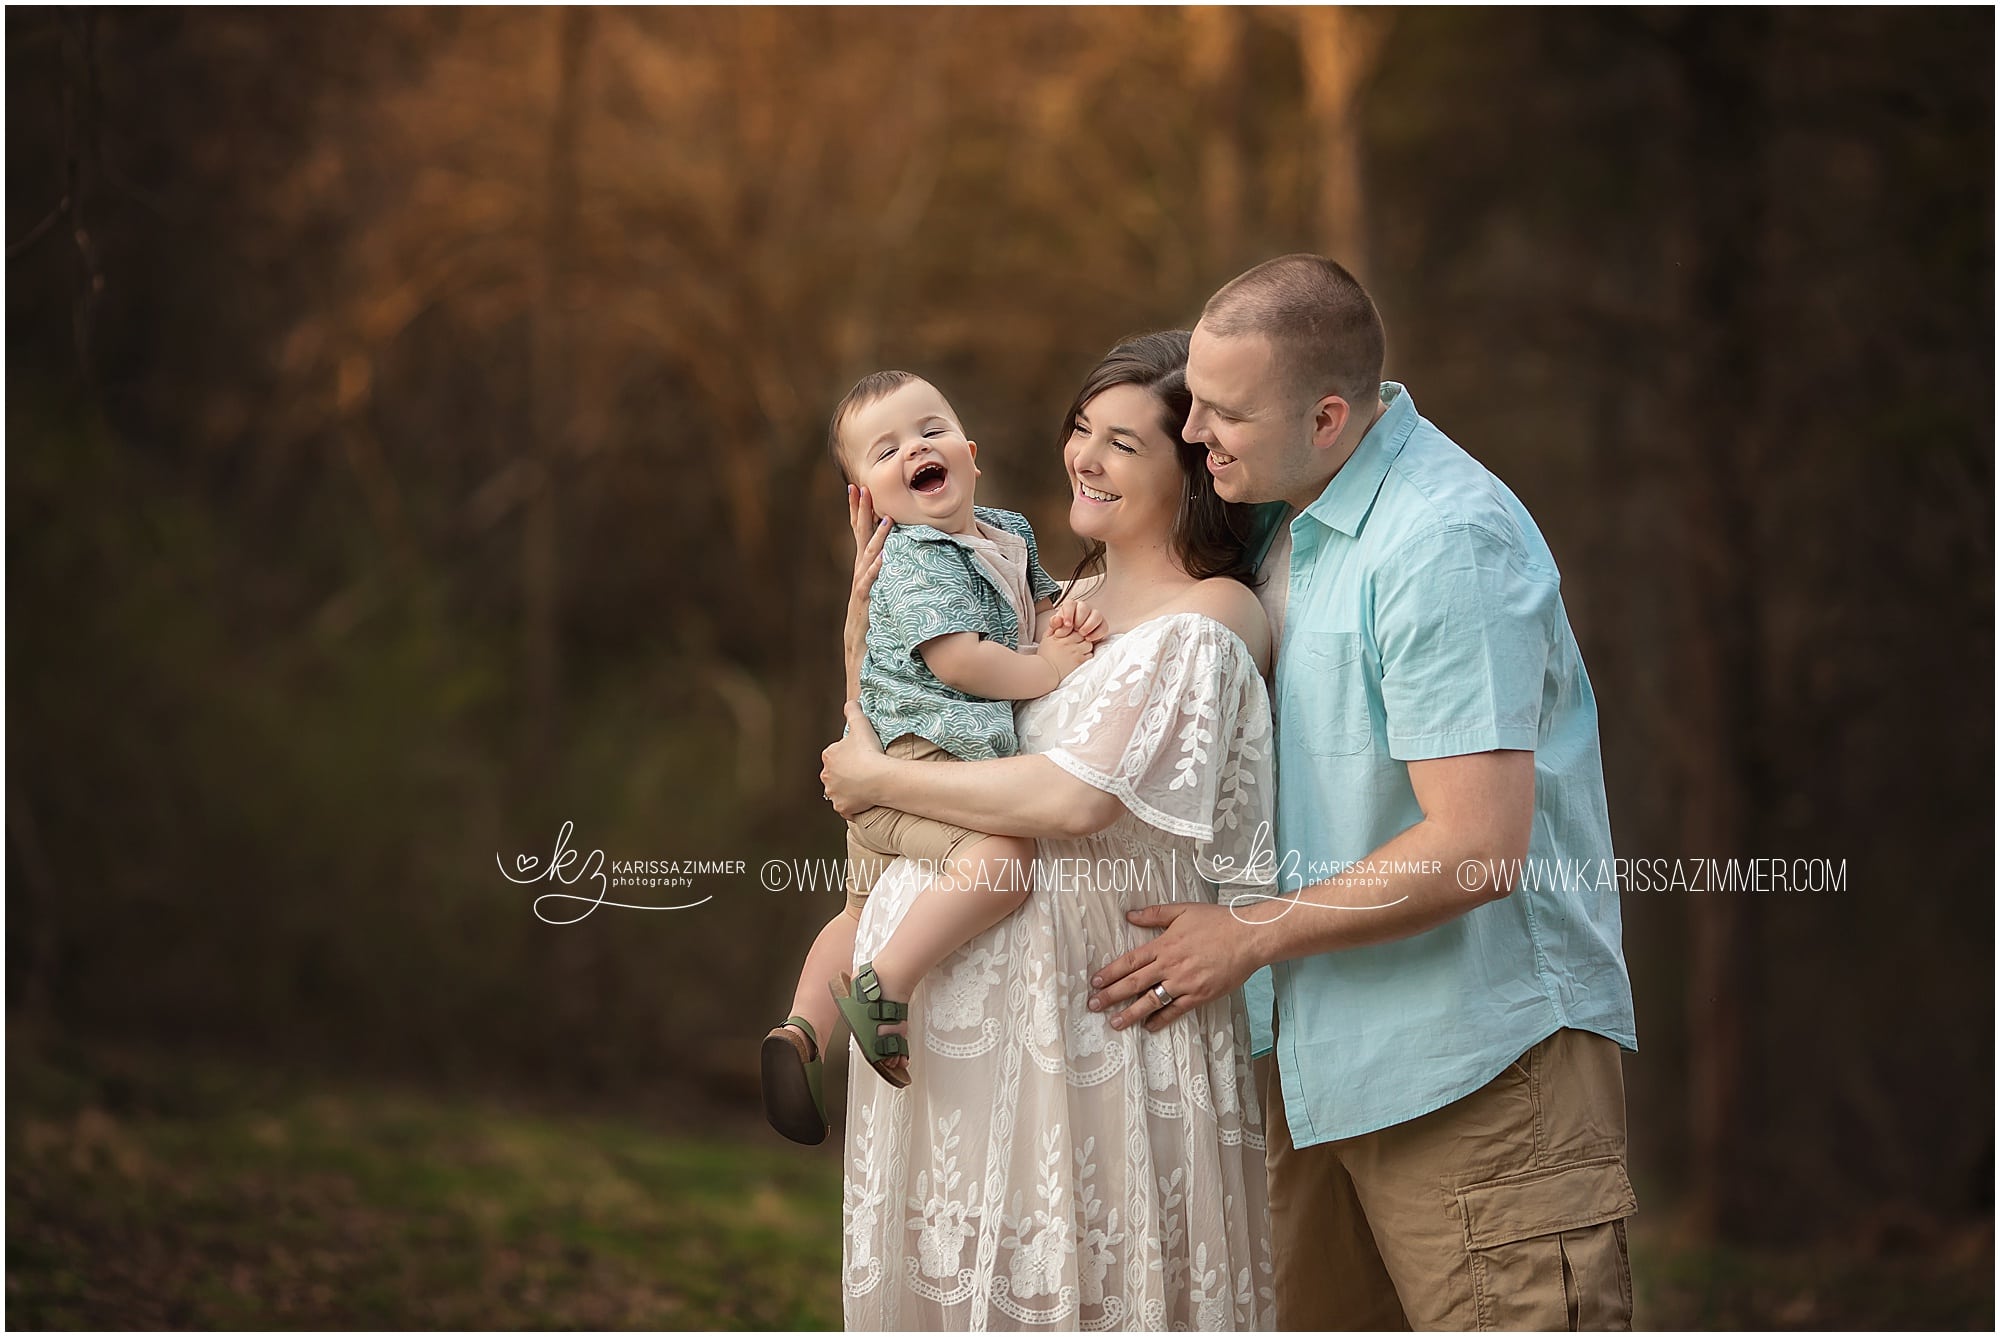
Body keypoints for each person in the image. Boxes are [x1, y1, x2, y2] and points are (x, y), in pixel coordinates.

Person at [1085, 255, 1641, 1330]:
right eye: (1192, 398)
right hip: (1315, 1075)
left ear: (1328, 414)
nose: (1194, 432)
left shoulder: (1443, 541)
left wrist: (1241, 936)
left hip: (1479, 1077)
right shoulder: (1281, 513)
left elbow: (1476, 843)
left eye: (1224, 411)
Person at [821, 330, 1278, 1329]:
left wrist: (873, 776)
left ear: (1192, 471)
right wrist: (869, 620)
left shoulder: (1211, 614)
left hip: (1096, 1037)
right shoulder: (1051, 607)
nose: (1083, 456)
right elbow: (925, 709)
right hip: (959, 1038)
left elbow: (1074, 799)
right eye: (1080, 429)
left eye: (1122, 442)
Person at [762, 371, 1105, 1146]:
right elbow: (958, 661)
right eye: (885, 450)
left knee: (855, 907)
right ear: (869, 501)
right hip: (923, 758)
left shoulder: (1006, 531)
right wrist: (1050, 669)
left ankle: (800, 1031)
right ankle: (884, 986)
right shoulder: (915, 558)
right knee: (1005, 861)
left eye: (930, 429)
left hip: (898, 765)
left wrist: (1065, 618)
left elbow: (1042, 603)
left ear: (971, 454)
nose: (915, 447)